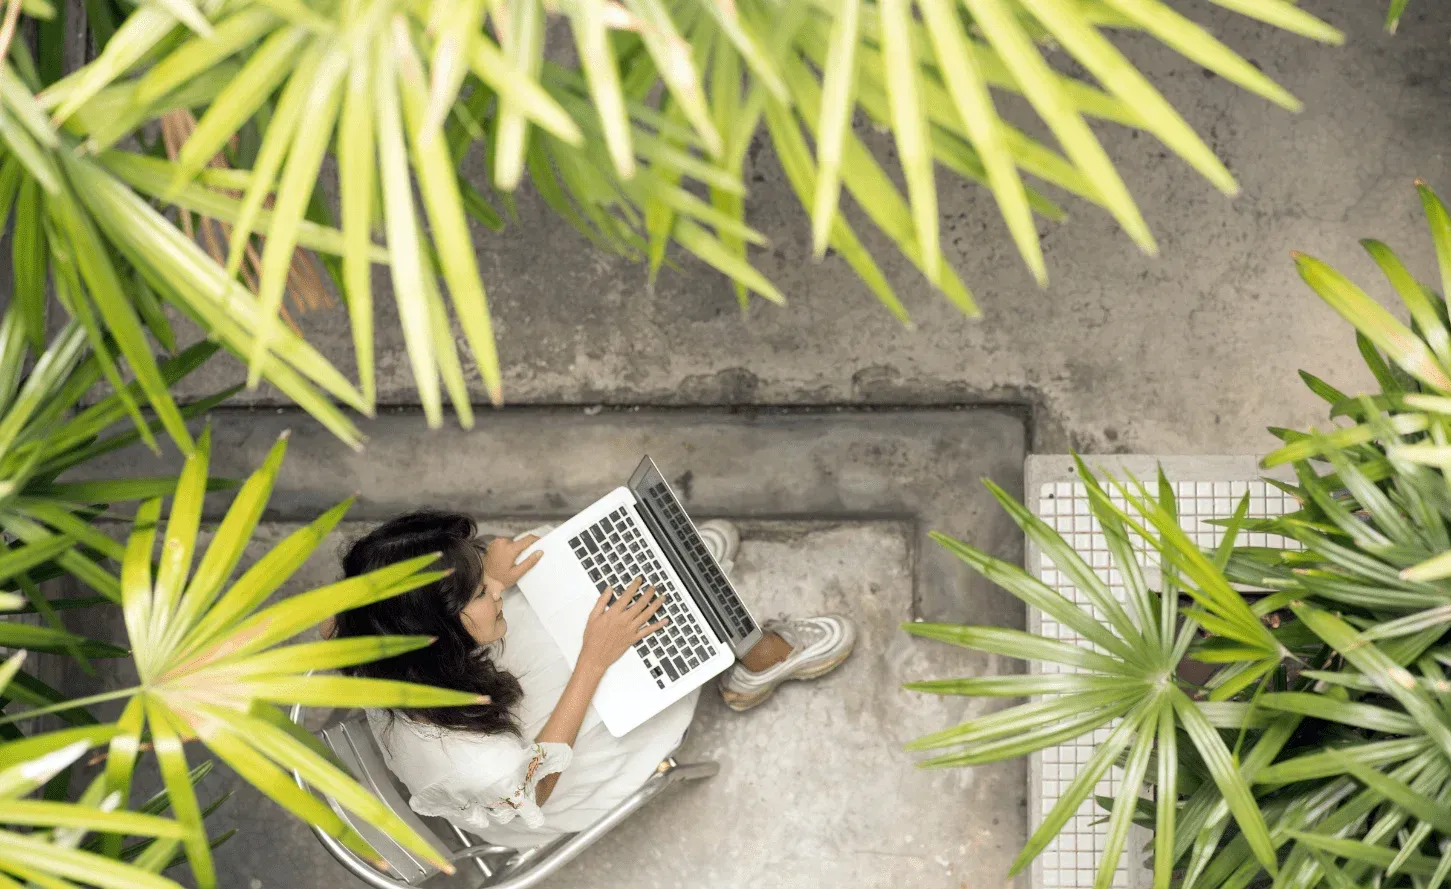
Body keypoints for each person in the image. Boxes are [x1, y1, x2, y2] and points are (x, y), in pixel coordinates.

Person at [326, 511, 855, 850]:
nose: (494, 587)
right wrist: (594, 660)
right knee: (639, 638)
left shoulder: (361, 621)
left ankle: (676, 576)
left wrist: (491, 578)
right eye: (481, 593)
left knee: (566, 591)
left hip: (471, 701)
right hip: (540, 775)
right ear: (443, 632)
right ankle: (751, 661)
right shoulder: (478, 762)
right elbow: (538, 784)